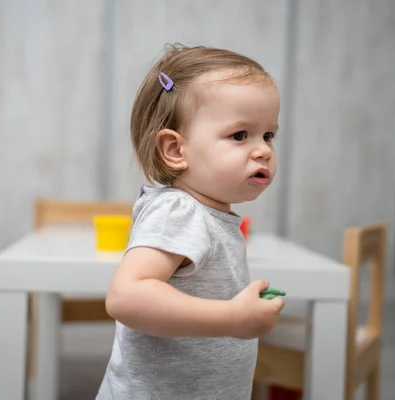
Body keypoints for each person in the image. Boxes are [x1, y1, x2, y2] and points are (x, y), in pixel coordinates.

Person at [97, 43, 284, 400]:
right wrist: (233, 317)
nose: (263, 150)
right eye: (240, 135)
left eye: (268, 135)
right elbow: (126, 296)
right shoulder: (180, 212)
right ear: (175, 150)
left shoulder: (209, 214)